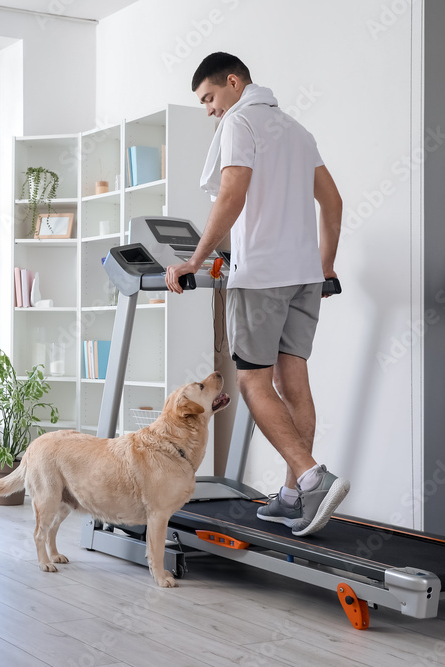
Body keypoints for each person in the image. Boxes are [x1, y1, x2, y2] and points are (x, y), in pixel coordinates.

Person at [164, 52, 347, 537]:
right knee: (294, 384)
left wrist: (194, 261)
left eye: (209, 98)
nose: (208, 110)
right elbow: (333, 200)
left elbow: (232, 194)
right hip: (304, 276)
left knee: (251, 383)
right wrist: (325, 266)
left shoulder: (240, 123)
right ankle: (291, 498)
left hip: (262, 275)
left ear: (233, 81)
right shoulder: (295, 129)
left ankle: (312, 478)